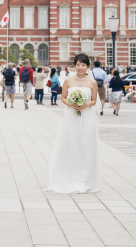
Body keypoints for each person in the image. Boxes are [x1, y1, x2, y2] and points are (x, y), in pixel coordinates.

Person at [45, 53, 100, 193]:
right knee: (71, 146)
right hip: (71, 117)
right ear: (74, 66)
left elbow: (94, 100)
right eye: (77, 65)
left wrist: (85, 104)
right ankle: (69, 177)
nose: (80, 67)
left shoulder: (92, 82)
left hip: (86, 117)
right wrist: (71, 103)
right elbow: (63, 97)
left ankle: (84, 180)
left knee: (86, 147)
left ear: (88, 66)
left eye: (83, 65)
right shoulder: (68, 81)